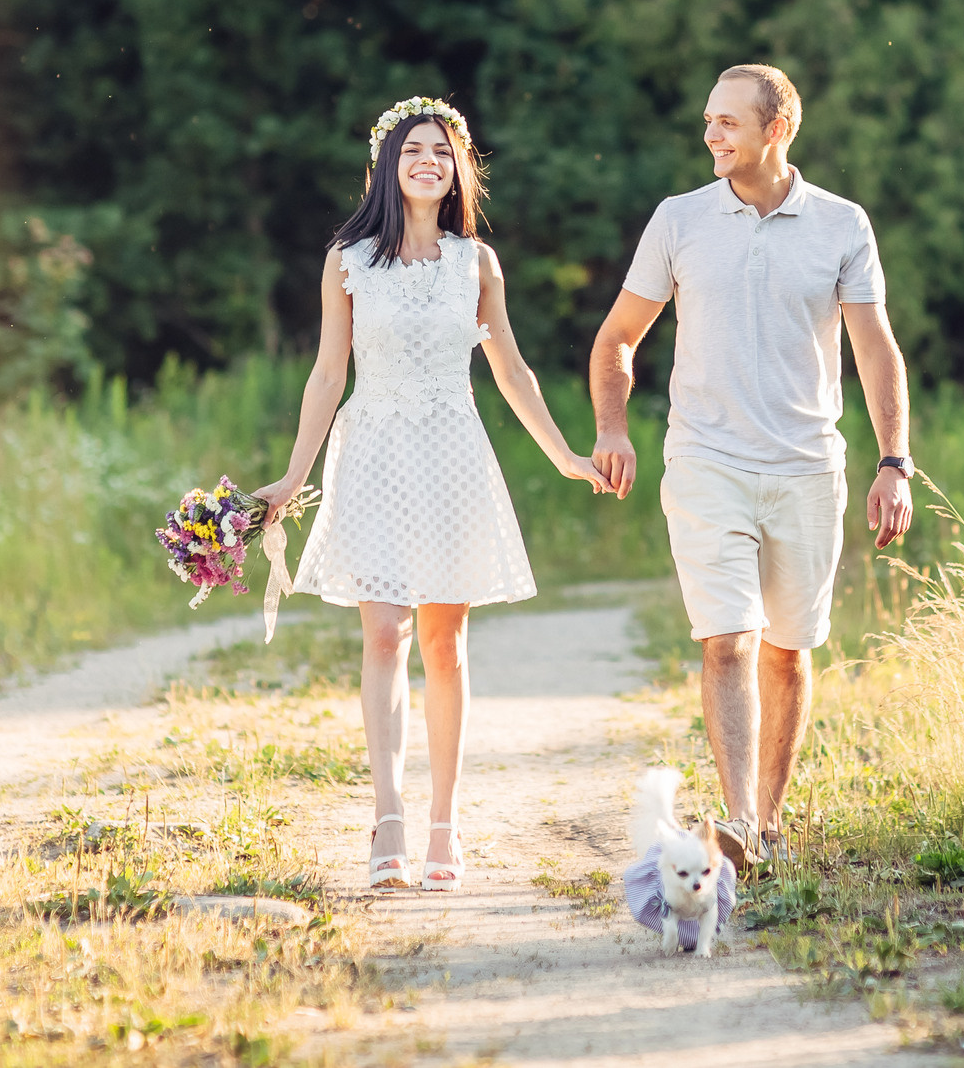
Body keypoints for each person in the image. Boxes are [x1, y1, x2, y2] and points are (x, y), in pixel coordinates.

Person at [255, 96, 606, 892]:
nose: (428, 160)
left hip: (452, 448)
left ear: (457, 171)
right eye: (414, 148)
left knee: (446, 641)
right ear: (387, 164)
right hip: (373, 448)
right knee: (386, 633)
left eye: (442, 152)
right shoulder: (347, 259)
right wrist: (294, 473)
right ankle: (389, 816)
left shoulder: (475, 263)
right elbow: (327, 371)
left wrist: (561, 454)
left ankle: (444, 819)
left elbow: (511, 368)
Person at [587, 64, 915, 869]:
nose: (711, 135)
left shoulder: (841, 224)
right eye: (708, 121)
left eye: (728, 122)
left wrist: (895, 460)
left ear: (778, 129)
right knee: (729, 639)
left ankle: (770, 819)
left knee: (788, 648)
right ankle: (734, 824)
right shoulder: (679, 220)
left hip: (808, 466)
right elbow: (617, 337)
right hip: (707, 459)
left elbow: (875, 351)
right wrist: (613, 425)